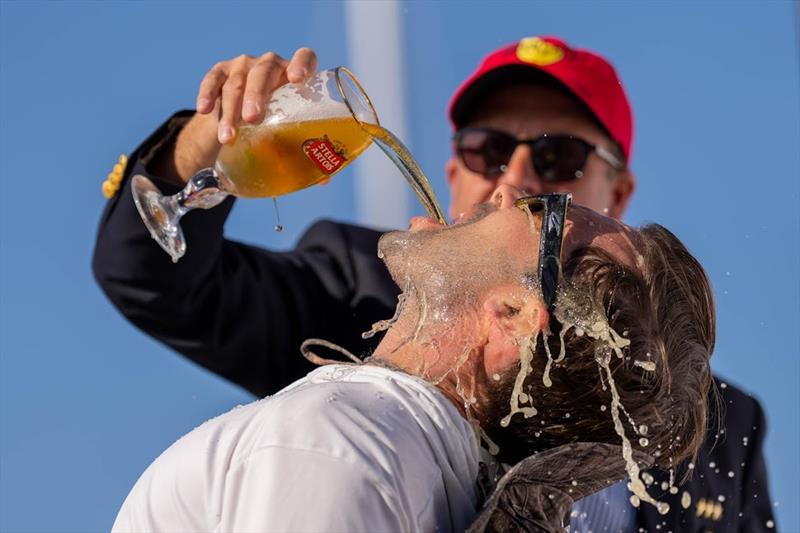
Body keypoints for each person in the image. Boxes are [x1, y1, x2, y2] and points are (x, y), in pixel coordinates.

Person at [93, 36, 774, 531]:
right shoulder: (359, 300)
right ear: (452, 173)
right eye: (486, 149)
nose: (511, 178)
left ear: (616, 195)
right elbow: (155, 281)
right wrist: (205, 145)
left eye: (556, 161)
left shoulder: (710, 419)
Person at [112, 191, 715, 532]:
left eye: (539, 209)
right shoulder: (429, 479)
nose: (504, 192)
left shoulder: (345, 444)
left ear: (511, 311)